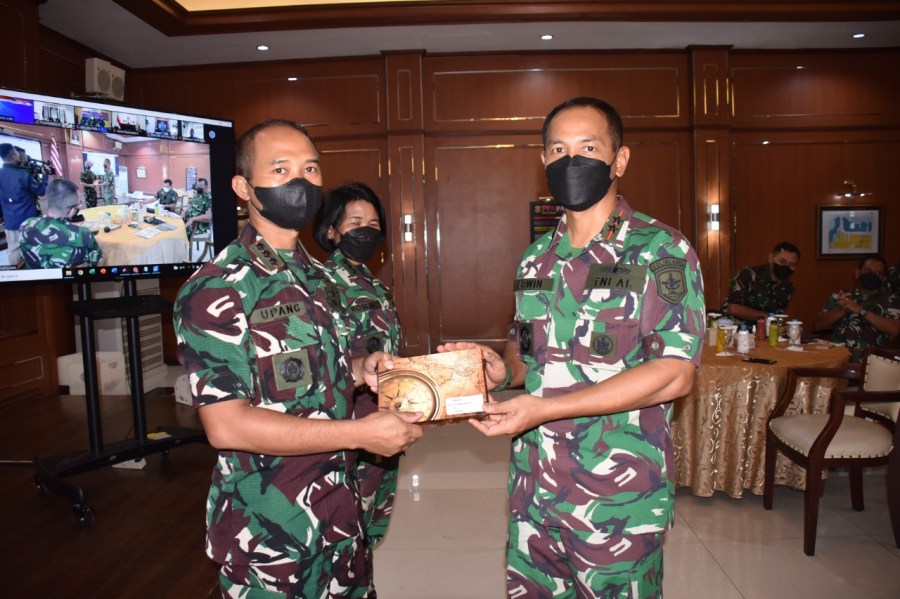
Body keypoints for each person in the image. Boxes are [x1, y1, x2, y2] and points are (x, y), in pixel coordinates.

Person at [437, 97, 705, 597]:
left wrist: (544, 409)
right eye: (558, 149)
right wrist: (501, 371)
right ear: (543, 160)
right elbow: (525, 351)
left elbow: (675, 373)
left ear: (619, 160)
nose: (571, 160)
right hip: (534, 491)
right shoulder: (536, 258)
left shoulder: (661, 249)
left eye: (588, 147)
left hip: (616, 501)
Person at [172, 119, 423, 598]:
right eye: (280, 169)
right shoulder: (218, 287)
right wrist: (359, 434)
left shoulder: (318, 278)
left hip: (339, 511)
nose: (299, 181)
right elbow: (227, 425)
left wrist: (359, 370)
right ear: (243, 187)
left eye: (310, 169)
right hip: (272, 528)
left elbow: (310, 373)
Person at [314, 182, 402, 573]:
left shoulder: (374, 283)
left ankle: (361, 578)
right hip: (351, 422)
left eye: (373, 224)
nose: (366, 230)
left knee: (373, 517)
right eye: (354, 222)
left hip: (384, 415)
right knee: (347, 518)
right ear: (332, 230)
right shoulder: (320, 284)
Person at [813, 255, 899, 358]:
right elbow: (818, 324)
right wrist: (842, 309)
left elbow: (895, 329)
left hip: (872, 358)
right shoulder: (842, 295)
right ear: (858, 273)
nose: (872, 275)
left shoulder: (891, 299)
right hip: (838, 356)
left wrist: (861, 311)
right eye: (868, 271)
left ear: (884, 278)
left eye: (878, 273)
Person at [19, 178, 102, 268]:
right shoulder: (84, 235)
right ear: (70, 210)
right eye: (78, 204)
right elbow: (96, 262)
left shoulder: (25, 225)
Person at [720, 241, 801, 324]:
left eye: (792, 264)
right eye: (782, 261)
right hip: (731, 326)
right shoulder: (749, 275)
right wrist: (765, 316)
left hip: (763, 329)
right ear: (771, 258)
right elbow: (732, 308)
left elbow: (777, 316)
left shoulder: (787, 287)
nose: (786, 267)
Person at [0, 143, 48, 266]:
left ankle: (15, 274)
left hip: (10, 222)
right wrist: (45, 176)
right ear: (14, 155)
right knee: (34, 248)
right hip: (28, 222)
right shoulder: (23, 175)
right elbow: (41, 191)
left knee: (13, 251)